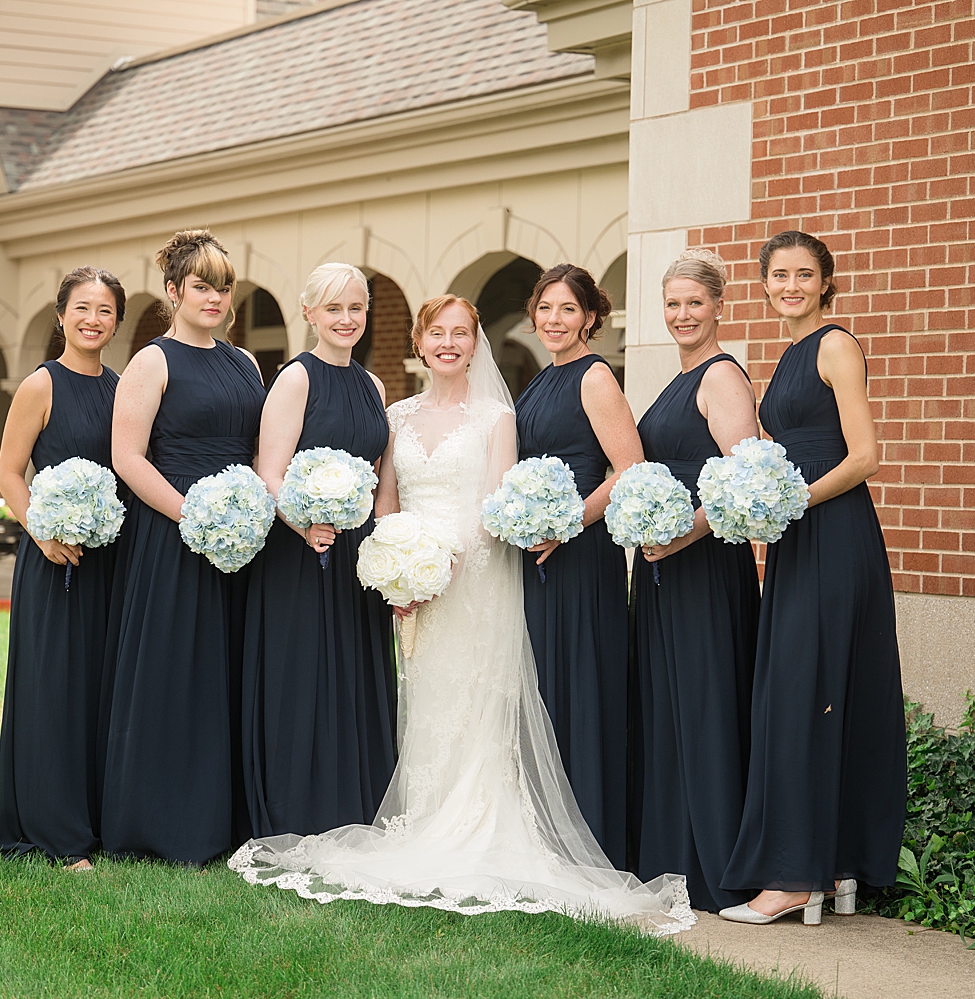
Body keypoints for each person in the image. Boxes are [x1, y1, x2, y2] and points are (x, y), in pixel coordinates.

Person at [230, 296, 693, 936]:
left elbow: (498, 502)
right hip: (416, 579)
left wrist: (444, 562)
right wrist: (400, 564)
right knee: (426, 700)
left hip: (476, 577)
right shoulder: (396, 414)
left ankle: (481, 824)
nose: (449, 343)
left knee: (479, 701)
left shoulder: (499, 416)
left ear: (475, 345)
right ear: (419, 343)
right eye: (437, 333)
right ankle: (423, 818)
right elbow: (386, 495)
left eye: (461, 334)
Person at [718, 230, 906, 925]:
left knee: (805, 696)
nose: (790, 285)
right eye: (778, 275)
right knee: (803, 694)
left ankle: (795, 878)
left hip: (836, 536)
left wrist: (790, 498)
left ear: (826, 283)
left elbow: (866, 455)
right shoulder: (789, 354)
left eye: (804, 274)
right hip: (799, 540)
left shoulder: (834, 343)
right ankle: (832, 867)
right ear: (764, 284)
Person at [99, 230, 266, 865]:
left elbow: (255, 451)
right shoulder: (152, 361)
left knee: (230, 673)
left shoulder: (245, 364)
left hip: (241, 541)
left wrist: (247, 514)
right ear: (173, 291)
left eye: (224, 288)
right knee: (174, 672)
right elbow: (126, 456)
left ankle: (226, 822)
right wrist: (190, 513)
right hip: (170, 538)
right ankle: (160, 826)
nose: (216, 299)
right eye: (201, 287)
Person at [242, 262, 396, 837]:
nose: (347, 319)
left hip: (355, 551)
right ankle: (298, 811)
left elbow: (380, 475)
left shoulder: (374, 385)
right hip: (300, 551)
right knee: (305, 676)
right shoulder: (295, 379)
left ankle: (356, 806)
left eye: (356, 307)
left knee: (355, 673)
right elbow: (270, 471)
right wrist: (305, 523)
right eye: (334, 308)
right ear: (310, 313)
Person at [631, 250, 761, 912]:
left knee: (706, 702)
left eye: (694, 302)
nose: (683, 314)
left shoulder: (722, 377)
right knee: (666, 705)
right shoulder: (677, 376)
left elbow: (743, 486)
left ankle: (715, 864)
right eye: (673, 303)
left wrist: (679, 536)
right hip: (661, 568)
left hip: (704, 567)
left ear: (718, 305)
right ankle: (669, 858)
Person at [0, 266, 124, 870]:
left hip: (109, 563)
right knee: (55, 691)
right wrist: (42, 533)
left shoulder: (123, 388)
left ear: (117, 321)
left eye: (105, 310)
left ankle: (98, 819)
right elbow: (9, 474)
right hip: (54, 561)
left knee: (100, 691)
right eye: (83, 308)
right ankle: (55, 831)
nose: (93, 319)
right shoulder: (40, 386)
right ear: (61, 314)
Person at [512, 264, 643, 871]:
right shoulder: (543, 380)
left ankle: (592, 840)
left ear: (590, 316)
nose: (553, 321)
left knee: (582, 685)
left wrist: (567, 525)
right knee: (545, 689)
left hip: (582, 556)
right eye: (544, 309)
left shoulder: (594, 377)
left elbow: (627, 469)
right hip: (540, 558)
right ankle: (546, 836)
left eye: (567, 310)